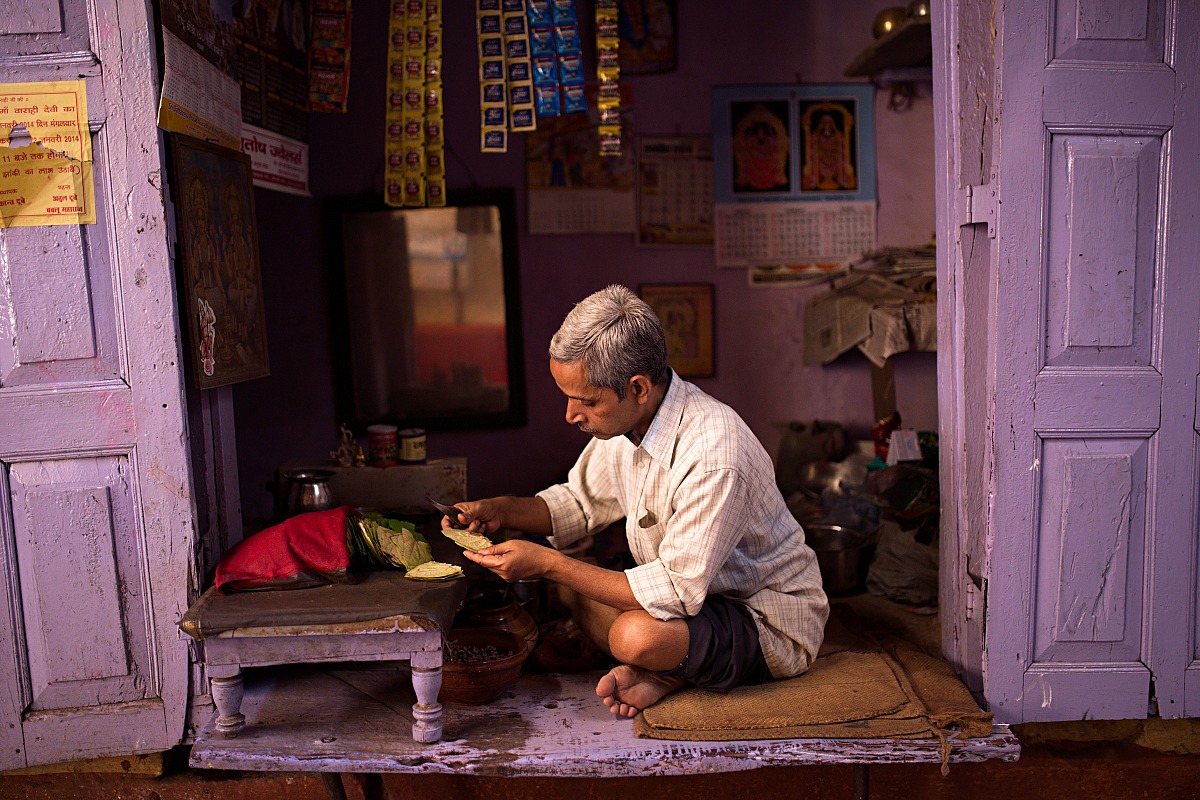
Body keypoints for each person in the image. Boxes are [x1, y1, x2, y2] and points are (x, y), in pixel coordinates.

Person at [445, 285, 828, 718]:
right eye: (567, 397)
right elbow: (577, 503)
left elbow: (677, 595)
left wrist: (550, 564)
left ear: (638, 388)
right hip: (690, 602)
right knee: (580, 591)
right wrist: (502, 509)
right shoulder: (628, 424)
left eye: (587, 401)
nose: (570, 415)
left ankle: (667, 667)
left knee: (635, 637)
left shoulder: (715, 453)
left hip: (761, 614)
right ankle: (671, 669)